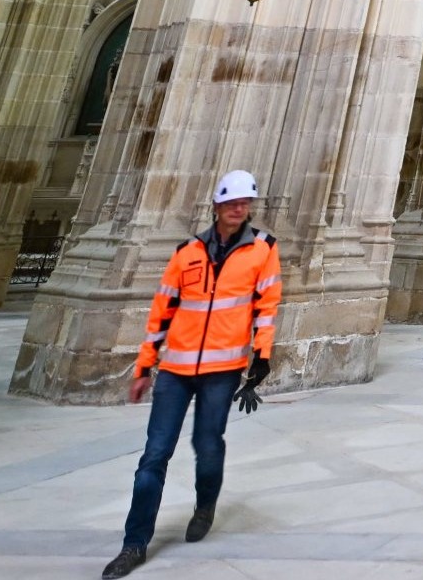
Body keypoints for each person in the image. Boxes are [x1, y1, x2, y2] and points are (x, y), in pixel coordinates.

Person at [106, 170, 282, 578]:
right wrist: (144, 365)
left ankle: (205, 505)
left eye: (246, 203)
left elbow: (267, 305)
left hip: (223, 370)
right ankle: (134, 544)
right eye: (233, 202)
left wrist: (262, 356)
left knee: (208, 444)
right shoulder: (187, 252)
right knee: (154, 454)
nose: (240, 208)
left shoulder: (263, 249)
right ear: (217, 205)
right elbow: (161, 311)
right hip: (176, 368)